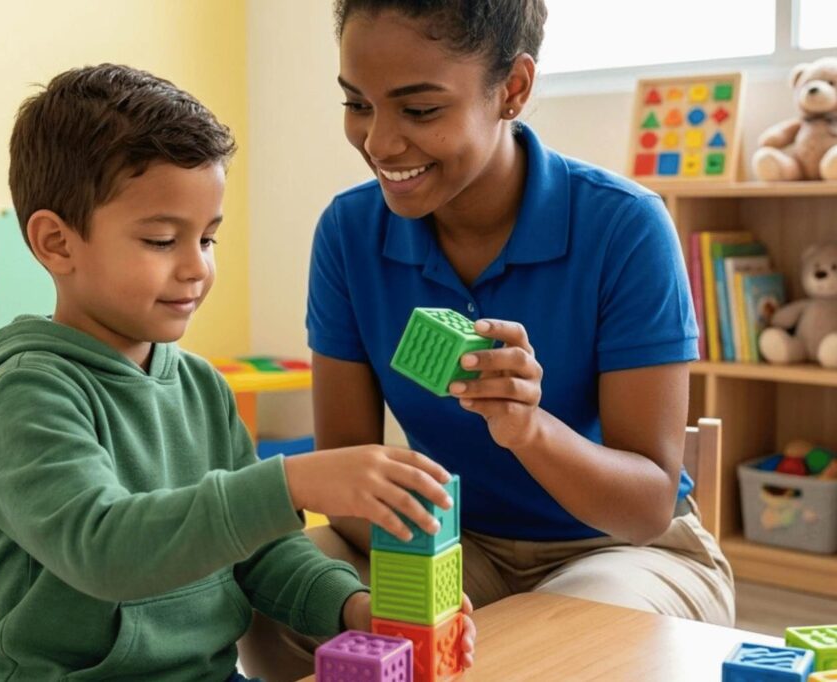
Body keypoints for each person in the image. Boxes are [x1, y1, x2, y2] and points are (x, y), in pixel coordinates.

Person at [239, 2, 734, 678]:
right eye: (359, 103)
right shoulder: (350, 234)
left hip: (618, 554)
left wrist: (528, 429)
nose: (380, 143)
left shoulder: (625, 227)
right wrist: (424, 569)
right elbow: (345, 470)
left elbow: (646, 509)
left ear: (513, 90)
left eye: (419, 111)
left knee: (556, 646)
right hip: (454, 545)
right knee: (273, 607)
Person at [0, 63, 474, 681]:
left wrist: (354, 607)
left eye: (208, 240)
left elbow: (262, 554)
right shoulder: (27, 392)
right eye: (162, 241)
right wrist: (292, 485)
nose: (197, 268)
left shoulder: (198, 388)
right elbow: (103, 548)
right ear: (57, 244)